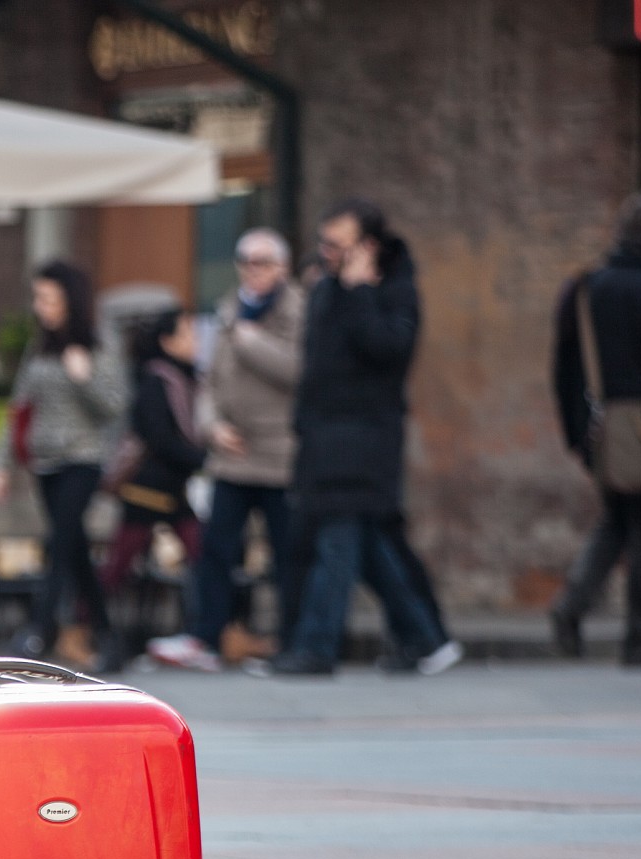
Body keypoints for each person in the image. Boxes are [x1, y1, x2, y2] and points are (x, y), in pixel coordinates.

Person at [258, 201, 460, 677]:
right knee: (364, 546)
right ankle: (426, 639)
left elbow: (389, 349)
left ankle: (316, 647)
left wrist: (359, 293)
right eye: (323, 243)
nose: (326, 252)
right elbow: (316, 368)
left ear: (368, 247)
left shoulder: (393, 291)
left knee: (338, 545)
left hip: (364, 442)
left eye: (337, 245)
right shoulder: (326, 289)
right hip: (323, 439)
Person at [151, 228, 304, 673]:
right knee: (216, 549)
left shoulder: (298, 310)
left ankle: (290, 640)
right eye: (245, 261)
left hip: (278, 453)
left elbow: (299, 372)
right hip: (230, 454)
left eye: (263, 262)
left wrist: (252, 342)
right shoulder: (229, 310)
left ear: (282, 267)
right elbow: (210, 381)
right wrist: (211, 425)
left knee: (285, 552)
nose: (252, 271)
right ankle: (208, 637)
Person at [0, 261, 129, 670]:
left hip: (82, 459)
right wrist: (2, 464)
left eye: (48, 298)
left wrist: (84, 377)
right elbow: (19, 407)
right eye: (38, 298)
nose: (40, 306)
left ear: (71, 299)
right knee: (75, 550)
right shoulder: (41, 344)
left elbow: (116, 406)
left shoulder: (98, 341)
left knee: (60, 542)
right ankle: (107, 636)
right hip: (44, 462)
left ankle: (39, 630)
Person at [548, 192, 641, 667]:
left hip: (604, 427)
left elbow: (565, 368)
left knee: (617, 522)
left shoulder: (587, 288)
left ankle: (570, 608)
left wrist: (576, 434)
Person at [103, 310, 206, 655]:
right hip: (146, 490)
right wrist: (204, 460)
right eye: (189, 334)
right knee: (119, 565)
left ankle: (210, 630)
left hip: (173, 489)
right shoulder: (156, 380)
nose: (197, 342)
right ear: (167, 341)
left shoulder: (186, 378)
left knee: (202, 554)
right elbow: (161, 438)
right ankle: (88, 626)